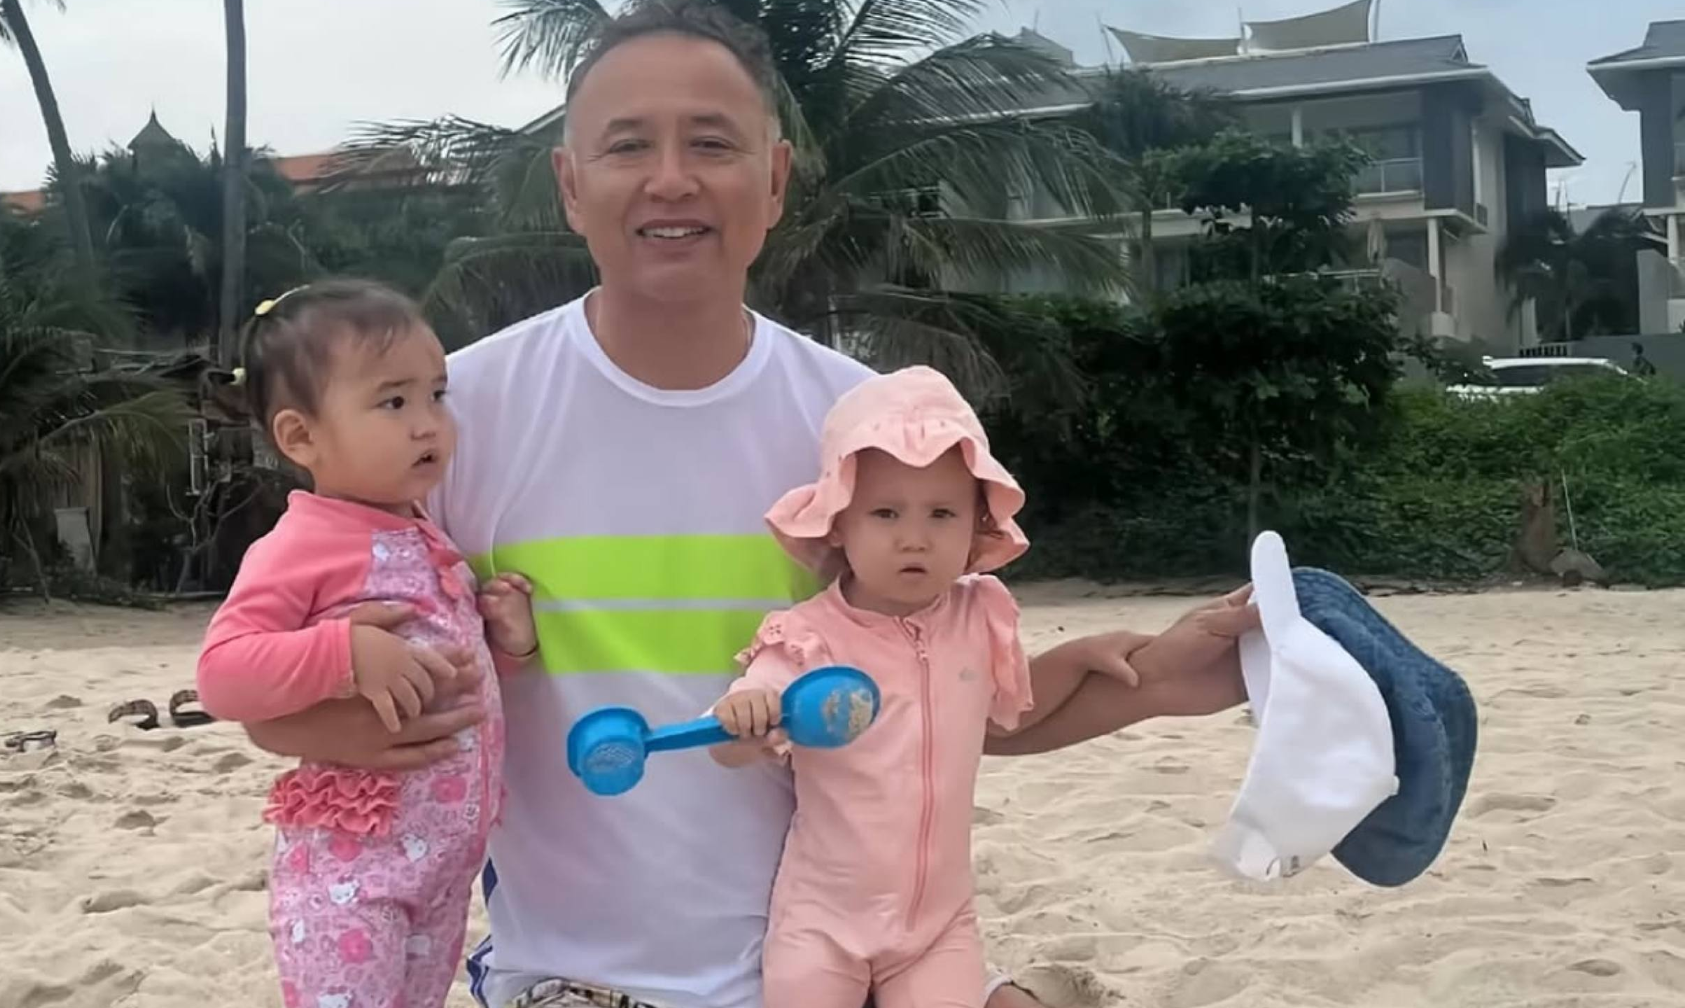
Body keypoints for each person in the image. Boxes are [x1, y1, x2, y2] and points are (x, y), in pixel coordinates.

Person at [239, 5, 1260, 1008]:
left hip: (830, 964)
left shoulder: (865, 429)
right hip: (574, 979)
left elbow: (933, 699)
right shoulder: (454, 419)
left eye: (711, 143)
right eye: (628, 145)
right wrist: (302, 726)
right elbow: (290, 673)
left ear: (773, 181)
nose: (670, 178)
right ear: (570, 185)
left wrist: (1170, 677)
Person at [710, 365, 1218, 1008]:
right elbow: (729, 742)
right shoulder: (810, 636)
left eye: (942, 513)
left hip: (939, 926)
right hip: (822, 922)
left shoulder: (978, 614)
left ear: (978, 524)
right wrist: (743, 713)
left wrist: (1080, 657)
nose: (914, 537)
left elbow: (1010, 714)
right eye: (886, 512)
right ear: (838, 522)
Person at [195, 280, 540, 1008]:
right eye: (393, 403)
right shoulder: (303, 543)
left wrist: (505, 642)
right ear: (301, 437)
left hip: (442, 869)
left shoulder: (425, 530)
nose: (428, 425)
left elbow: (447, 675)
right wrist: (345, 654)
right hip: (350, 873)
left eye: (437, 396)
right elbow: (222, 674)